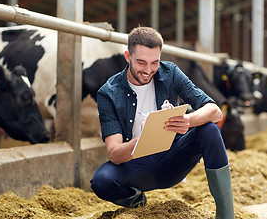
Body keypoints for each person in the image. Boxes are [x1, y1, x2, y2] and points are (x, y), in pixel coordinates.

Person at [91, 26, 235, 219]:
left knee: (209, 130)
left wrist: (187, 121)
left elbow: (215, 111)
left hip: (173, 158)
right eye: (141, 62)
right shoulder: (108, 93)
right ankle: (136, 202)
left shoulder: (170, 73)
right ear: (127, 56)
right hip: (136, 167)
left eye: (154, 62)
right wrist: (144, 138)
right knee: (102, 181)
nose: (148, 70)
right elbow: (115, 154)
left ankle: (226, 215)